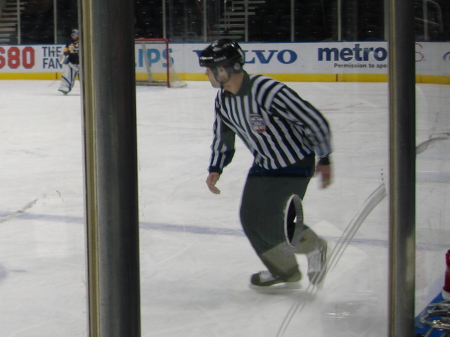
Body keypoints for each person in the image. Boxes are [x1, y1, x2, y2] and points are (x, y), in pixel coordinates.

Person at [198, 39, 332, 288]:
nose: (206, 74)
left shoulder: (267, 90)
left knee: (273, 222)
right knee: (250, 219)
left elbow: (313, 120)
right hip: (265, 163)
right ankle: (285, 270)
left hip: (295, 162)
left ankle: (314, 247)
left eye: (209, 68)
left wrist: (324, 157)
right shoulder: (223, 99)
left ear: (225, 69)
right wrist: (216, 166)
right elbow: (223, 135)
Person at [58, 29, 80, 95]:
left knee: (84, 78)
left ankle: (87, 90)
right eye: (72, 34)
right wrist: (65, 53)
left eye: (75, 34)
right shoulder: (69, 42)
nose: (73, 36)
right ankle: (65, 88)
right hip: (71, 63)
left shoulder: (83, 42)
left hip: (81, 64)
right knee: (68, 75)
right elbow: (65, 51)